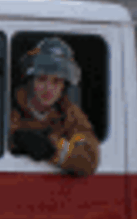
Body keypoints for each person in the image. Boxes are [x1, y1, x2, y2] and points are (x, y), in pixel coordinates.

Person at [10, 37, 99, 177]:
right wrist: (14, 140)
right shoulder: (10, 109)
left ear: (64, 86)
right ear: (30, 80)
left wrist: (52, 150)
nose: (48, 89)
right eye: (41, 79)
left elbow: (88, 159)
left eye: (56, 82)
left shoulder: (70, 115)